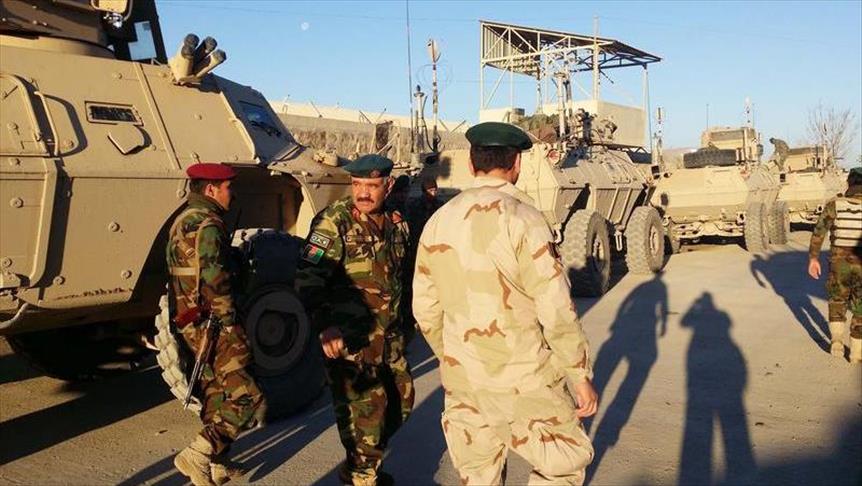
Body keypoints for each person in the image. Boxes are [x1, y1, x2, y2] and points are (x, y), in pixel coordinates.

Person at [412, 122, 598, 485]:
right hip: (525, 378)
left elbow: (425, 309)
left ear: (471, 164)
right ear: (517, 164)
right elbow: (556, 310)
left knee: (478, 477)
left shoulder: (438, 222)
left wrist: (452, 358)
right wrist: (579, 375)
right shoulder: (525, 219)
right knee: (563, 465)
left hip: (464, 381)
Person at [295, 154, 415, 486]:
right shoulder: (334, 222)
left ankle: (361, 463)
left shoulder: (398, 223)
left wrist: (410, 322)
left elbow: (403, 276)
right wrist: (325, 325)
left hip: (389, 338)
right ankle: (363, 474)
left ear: (388, 185)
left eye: (372, 186)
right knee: (366, 412)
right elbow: (307, 278)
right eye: (357, 184)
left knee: (401, 401)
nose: (363, 192)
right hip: (351, 339)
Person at [167, 163, 264, 486]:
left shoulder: (182, 220)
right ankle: (198, 453)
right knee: (247, 396)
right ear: (211, 189)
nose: (231, 194)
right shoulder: (209, 225)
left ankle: (216, 463)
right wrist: (230, 323)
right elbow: (214, 279)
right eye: (227, 188)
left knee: (215, 393)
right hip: (214, 322)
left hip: (190, 321)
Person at [808, 167, 862, 363]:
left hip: (839, 265)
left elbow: (819, 232)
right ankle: (856, 353)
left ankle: (837, 341)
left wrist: (813, 259)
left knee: (837, 301)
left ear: (849, 183)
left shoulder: (835, 204)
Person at [405, 177, 443, 242]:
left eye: (435, 190)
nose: (433, 193)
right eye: (431, 190)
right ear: (424, 191)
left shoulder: (439, 204)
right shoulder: (415, 204)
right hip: (419, 236)